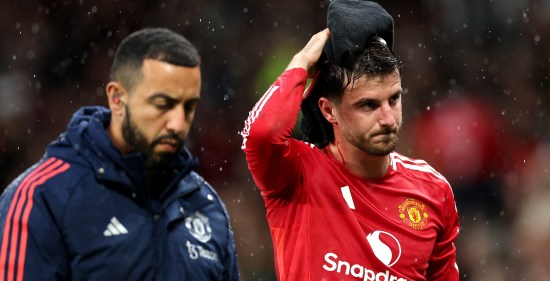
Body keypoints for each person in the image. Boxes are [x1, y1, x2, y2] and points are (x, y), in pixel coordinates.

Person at [0, 28, 239, 281]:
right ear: (117, 98)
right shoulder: (43, 197)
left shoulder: (207, 207)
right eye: (162, 104)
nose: (178, 124)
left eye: (189, 107)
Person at [241, 18, 459, 281]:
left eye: (394, 99)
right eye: (369, 105)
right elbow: (262, 134)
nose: (388, 119)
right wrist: (302, 62)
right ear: (328, 110)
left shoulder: (434, 191)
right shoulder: (296, 173)